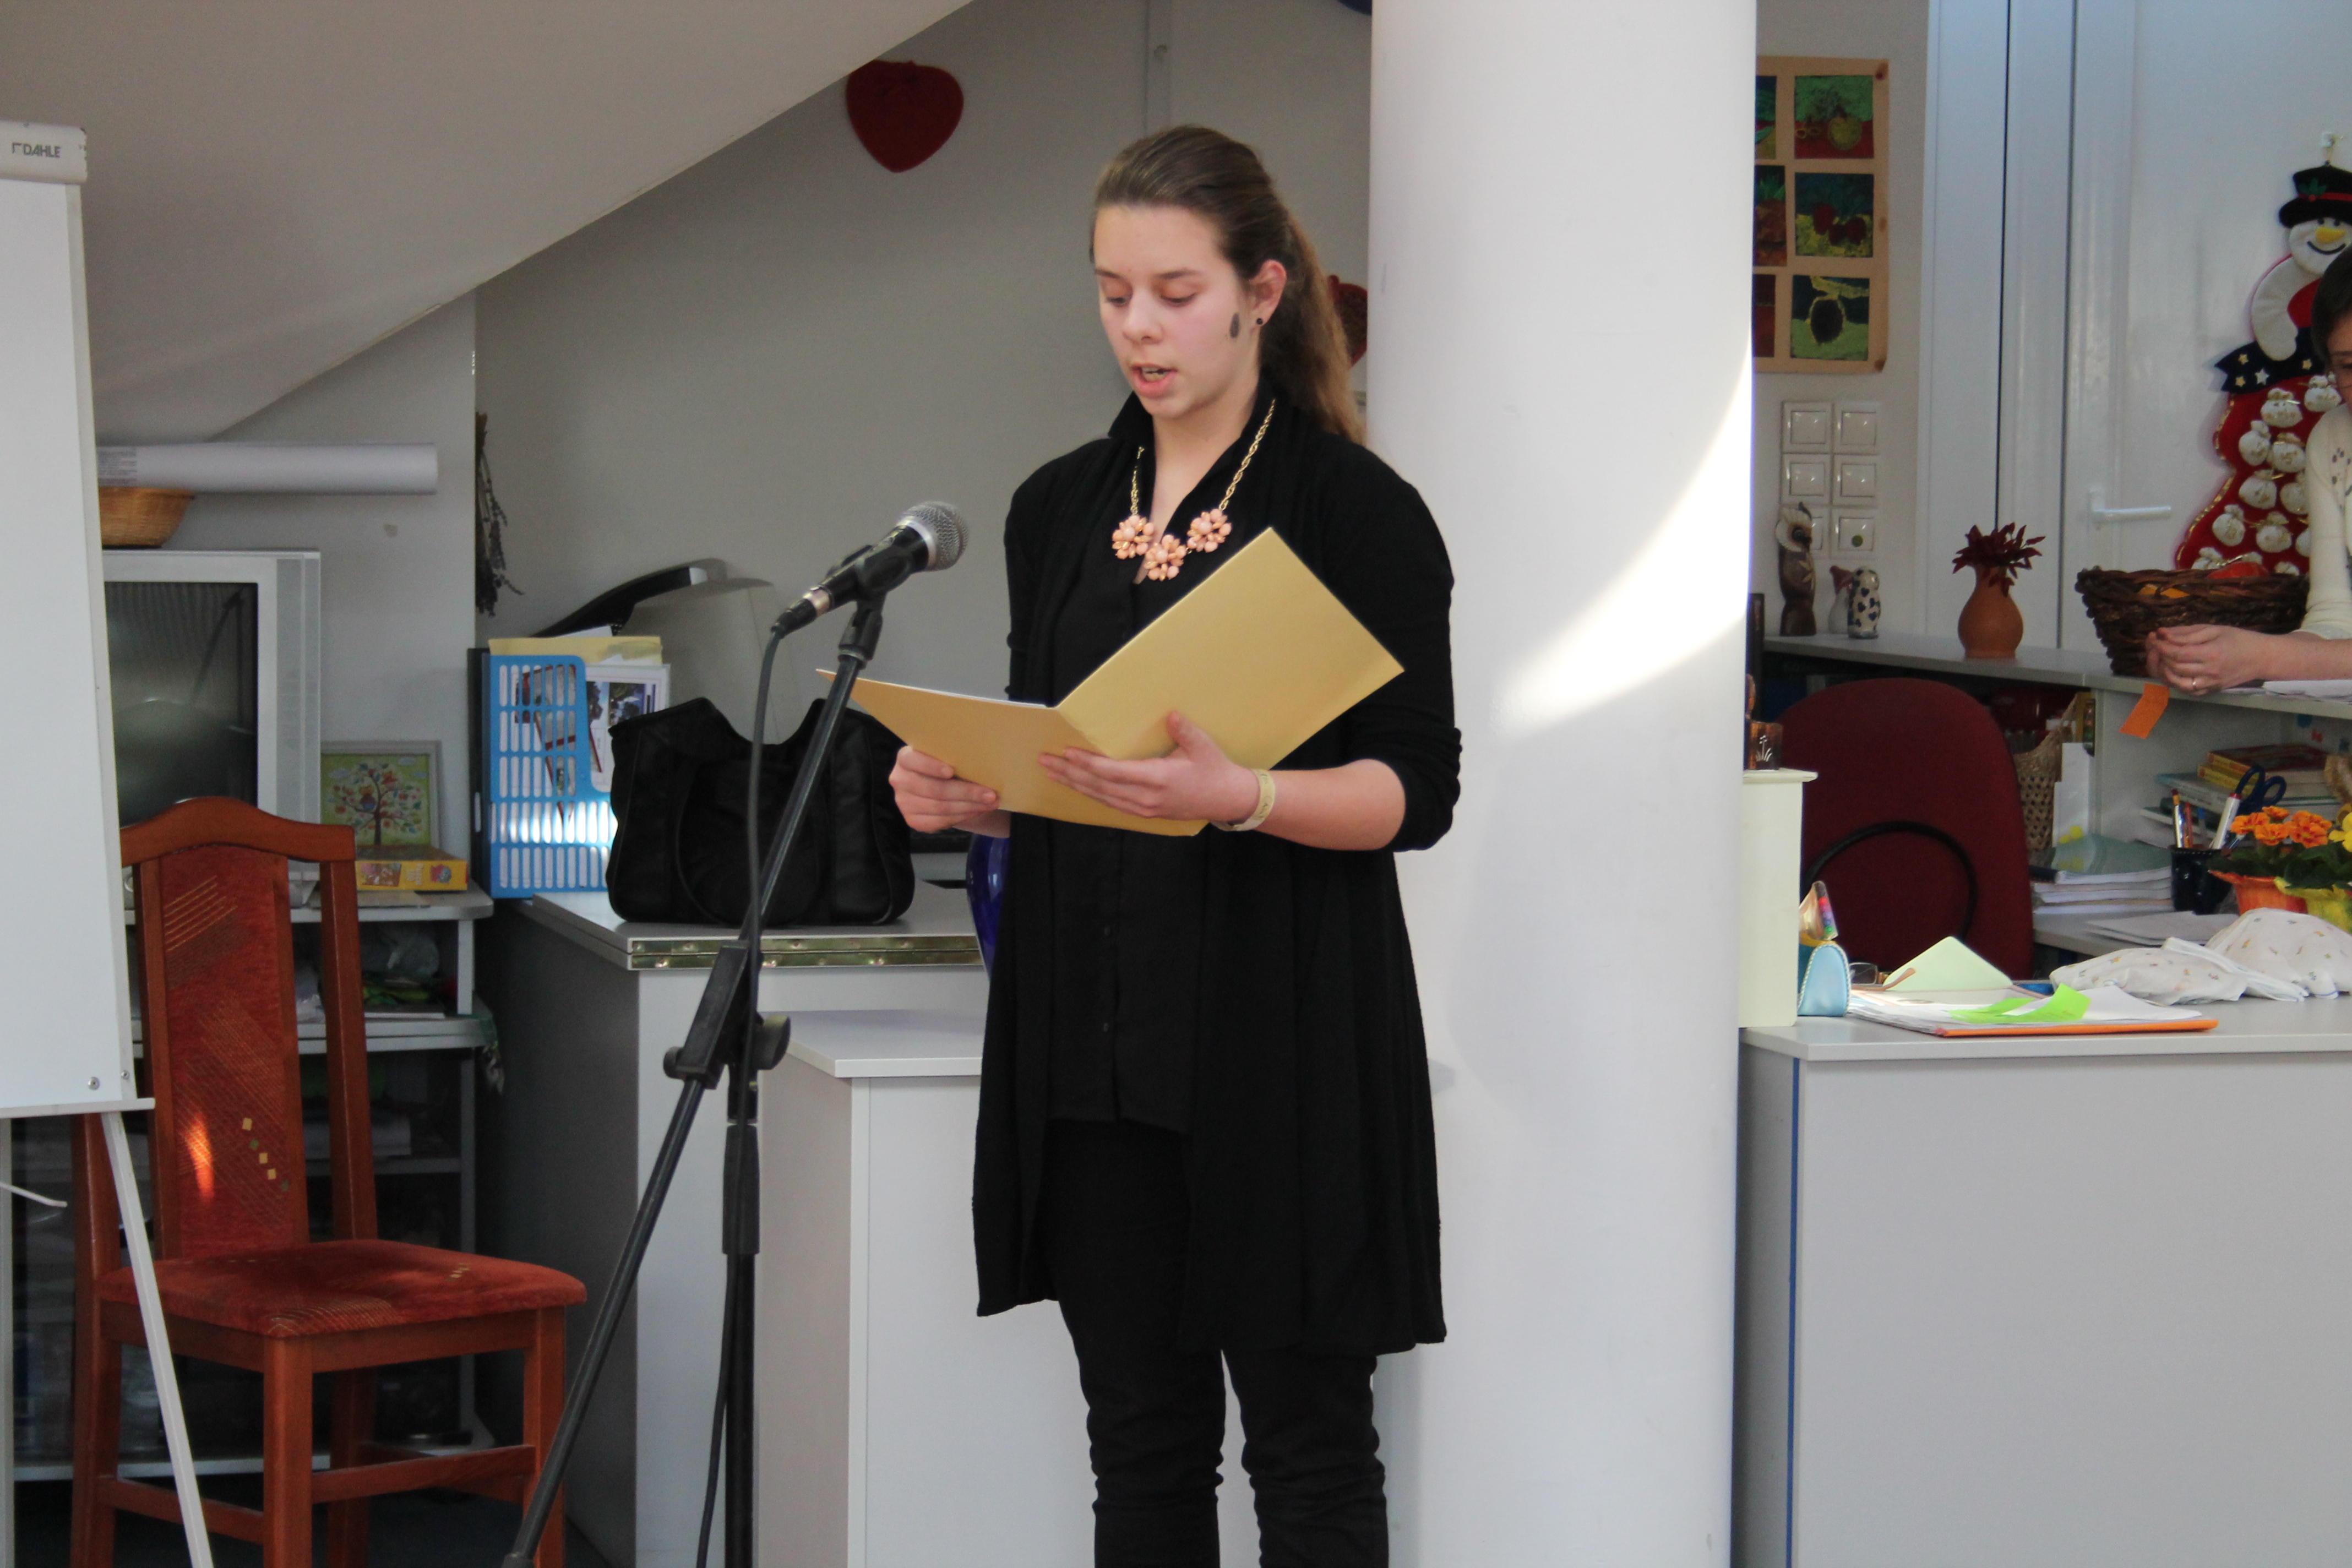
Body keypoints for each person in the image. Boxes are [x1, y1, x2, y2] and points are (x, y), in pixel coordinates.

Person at [889, 126, 1458, 1567]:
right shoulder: (1058, 506)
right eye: (1112, 293)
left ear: (1262, 291)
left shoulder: (1353, 507)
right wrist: (971, 792)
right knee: (1138, 1445)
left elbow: (1418, 790)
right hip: (1093, 1052)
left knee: (1310, 1453)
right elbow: (1073, 761)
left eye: (1175, 293)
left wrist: (1245, 795)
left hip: (1282, 1044)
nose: (1138, 326)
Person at [2148, 251, 2352, 692]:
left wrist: (2264, 656)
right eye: (2349, 366)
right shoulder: (2333, 438)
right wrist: (2201, 655)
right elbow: (2335, 619)